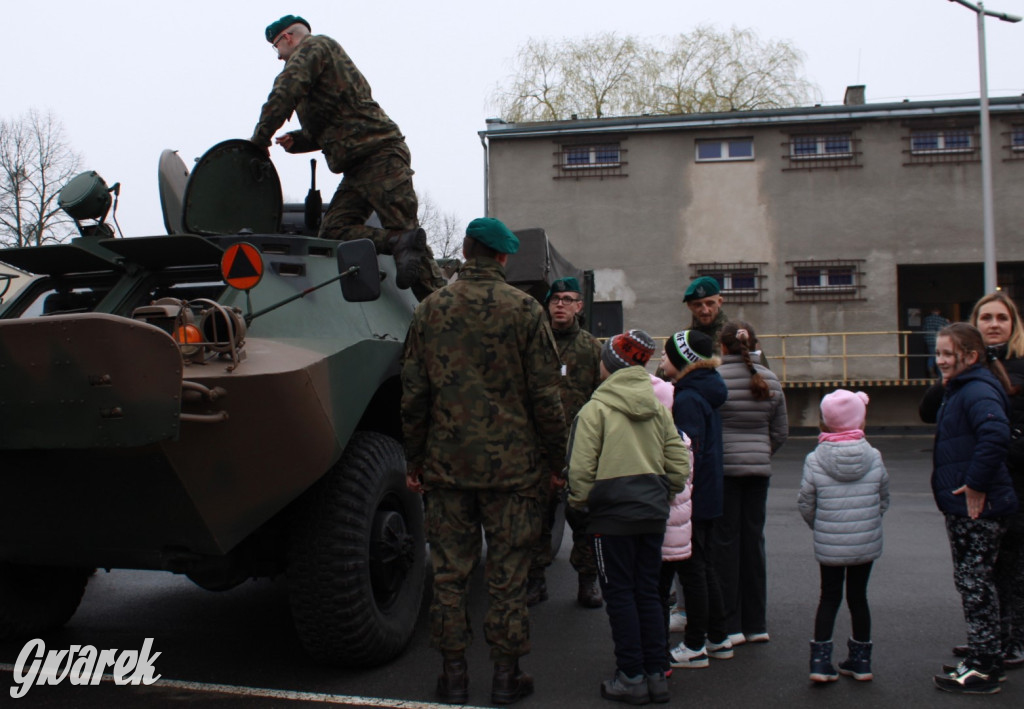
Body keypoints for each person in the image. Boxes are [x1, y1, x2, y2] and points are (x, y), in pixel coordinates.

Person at [401, 217, 566, 706]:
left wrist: (414, 459)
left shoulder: (429, 310)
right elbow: (546, 399)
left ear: (467, 250)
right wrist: (558, 461)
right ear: (502, 257)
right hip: (514, 472)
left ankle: (453, 677)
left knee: (450, 576)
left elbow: (413, 395)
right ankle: (505, 677)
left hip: (447, 470)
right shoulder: (525, 310)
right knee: (508, 575)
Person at [251, 15, 445, 299]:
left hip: (380, 156)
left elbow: (284, 92)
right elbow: (339, 122)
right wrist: (299, 140)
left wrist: (259, 140)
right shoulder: (322, 62)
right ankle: (396, 241)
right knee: (333, 233)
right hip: (358, 168)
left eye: (276, 48)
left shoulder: (314, 48)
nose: (278, 57)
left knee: (412, 250)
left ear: (288, 38)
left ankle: (446, 314)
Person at [566, 330, 689, 705]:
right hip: (651, 514)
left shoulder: (595, 409)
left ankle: (630, 675)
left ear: (610, 364)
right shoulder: (657, 409)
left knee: (619, 596)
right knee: (649, 593)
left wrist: (582, 503)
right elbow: (679, 464)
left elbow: (581, 470)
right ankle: (655, 674)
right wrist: (661, 494)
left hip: (610, 519)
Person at [920, 293, 1024, 674]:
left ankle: (1007, 644)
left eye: (1002, 317)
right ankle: (990, 641)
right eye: (986, 317)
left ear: (1014, 323)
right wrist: (949, 374)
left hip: (1003, 484)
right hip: (988, 483)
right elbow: (929, 411)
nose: (994, 323)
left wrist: (982, 474)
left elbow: (994, 429)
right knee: (983, 575)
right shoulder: (965, 374)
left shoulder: (1002, 373)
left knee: (1006, 572)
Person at [798, 390, 889, 684]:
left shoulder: (815, 459)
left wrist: (821, 525)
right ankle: (861, 661)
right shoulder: (873, 456)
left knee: (829, 596)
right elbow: (883, 497)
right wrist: (869, 521)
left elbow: (806, 502)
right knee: (858, 597)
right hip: (865, 539)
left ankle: (820, 661)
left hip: (830, 540)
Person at [657, 330, 734, 670]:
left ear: (682, 359)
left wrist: (676, 493)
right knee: (704, 566)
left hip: (694, 498)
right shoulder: (705, 389)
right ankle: (718, 638)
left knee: (693, 572)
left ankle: (694, 646)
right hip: (709, 493)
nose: (661, 360)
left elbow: (687, 455)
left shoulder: (687, 398)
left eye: (666, 354)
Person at [527, 277, 604, 609]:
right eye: (555, 299)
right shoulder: (534, 343)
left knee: (584, 519)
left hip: (579, 448)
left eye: (567, 299)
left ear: (579, 306)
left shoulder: (591, 348)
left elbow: (602, 398)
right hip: (538, 448)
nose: (560, 304)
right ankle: (535, 581)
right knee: (536, 519)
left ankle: (587, 582)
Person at [712, 321, 788, 648]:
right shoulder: (769, 379)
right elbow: (780, 432)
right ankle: (756, 623)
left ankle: (730, 625)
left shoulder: (716, 381)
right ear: (755, 344)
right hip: (759, 472)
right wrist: (761, 453)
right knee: (753, 544)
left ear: (723, 347)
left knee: (725, 546)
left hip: (725, 473)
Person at [683, 276, 727, 356]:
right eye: (698, 305)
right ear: (689, 306)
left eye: (710, 303)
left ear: (719, 302)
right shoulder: (682, 339)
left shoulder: (734, 336)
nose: (705, 311)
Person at [923, 307, 951, 378]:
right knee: (938, 356)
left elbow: (924, 328)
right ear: (938, 312)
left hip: (928, 339)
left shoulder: (926, 319)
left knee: (931, 355)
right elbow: (948, 328)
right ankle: (938, 373)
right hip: (937, 340)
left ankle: (931, 369)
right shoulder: (941, 320)